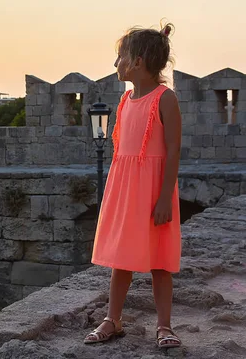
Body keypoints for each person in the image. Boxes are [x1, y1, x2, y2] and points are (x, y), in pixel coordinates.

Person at [83, 22, 182, 349]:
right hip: (127, 191)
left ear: (138, 62)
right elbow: (123, 154)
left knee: (159, 261)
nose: (116, 64)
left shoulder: (165, 99)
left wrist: (165, 198)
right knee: (122, 259)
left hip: (154, 191)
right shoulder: (125, 100)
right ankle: (114, 318)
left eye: (120, 57)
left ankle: (164, 325)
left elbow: (172, 153)